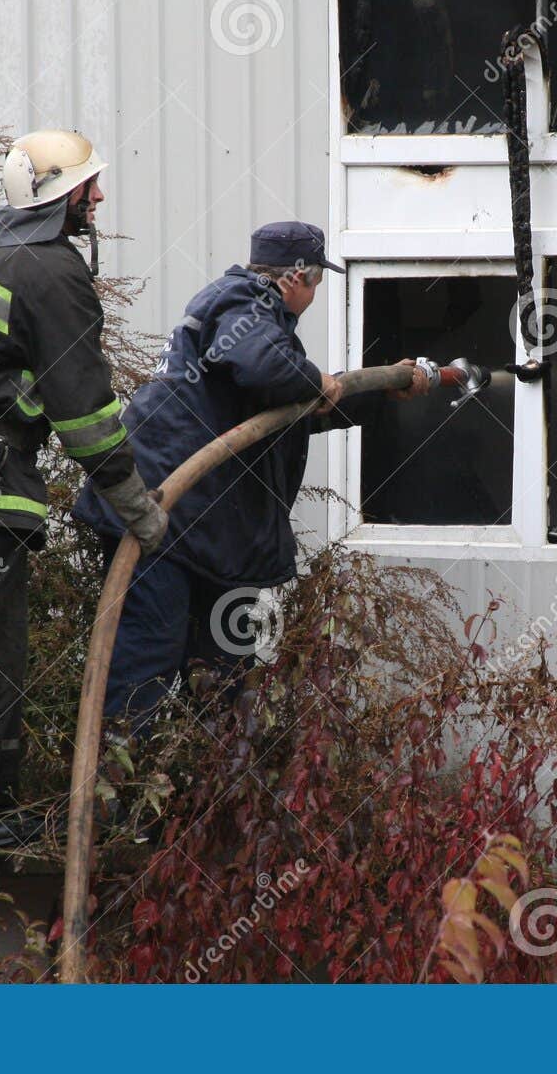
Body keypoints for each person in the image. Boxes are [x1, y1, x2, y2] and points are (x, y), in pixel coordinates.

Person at [0, 129, 167, 850]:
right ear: (54, 195)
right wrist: (139, 509)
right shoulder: (52, 271)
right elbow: (85, 409)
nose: (98, 197)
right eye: (87, 187)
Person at [72, 222, 428, 732]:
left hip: (204, 532)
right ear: (297, 277)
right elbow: (266, 371)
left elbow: (282, 409)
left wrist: (377, 395)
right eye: (317, 282)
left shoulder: (253, 317)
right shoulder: (244, 301)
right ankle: (112, 800)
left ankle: (205, 796)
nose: (315, 293)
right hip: (164, 519)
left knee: (221, 674)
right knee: (147, 658)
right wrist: (315, 379)